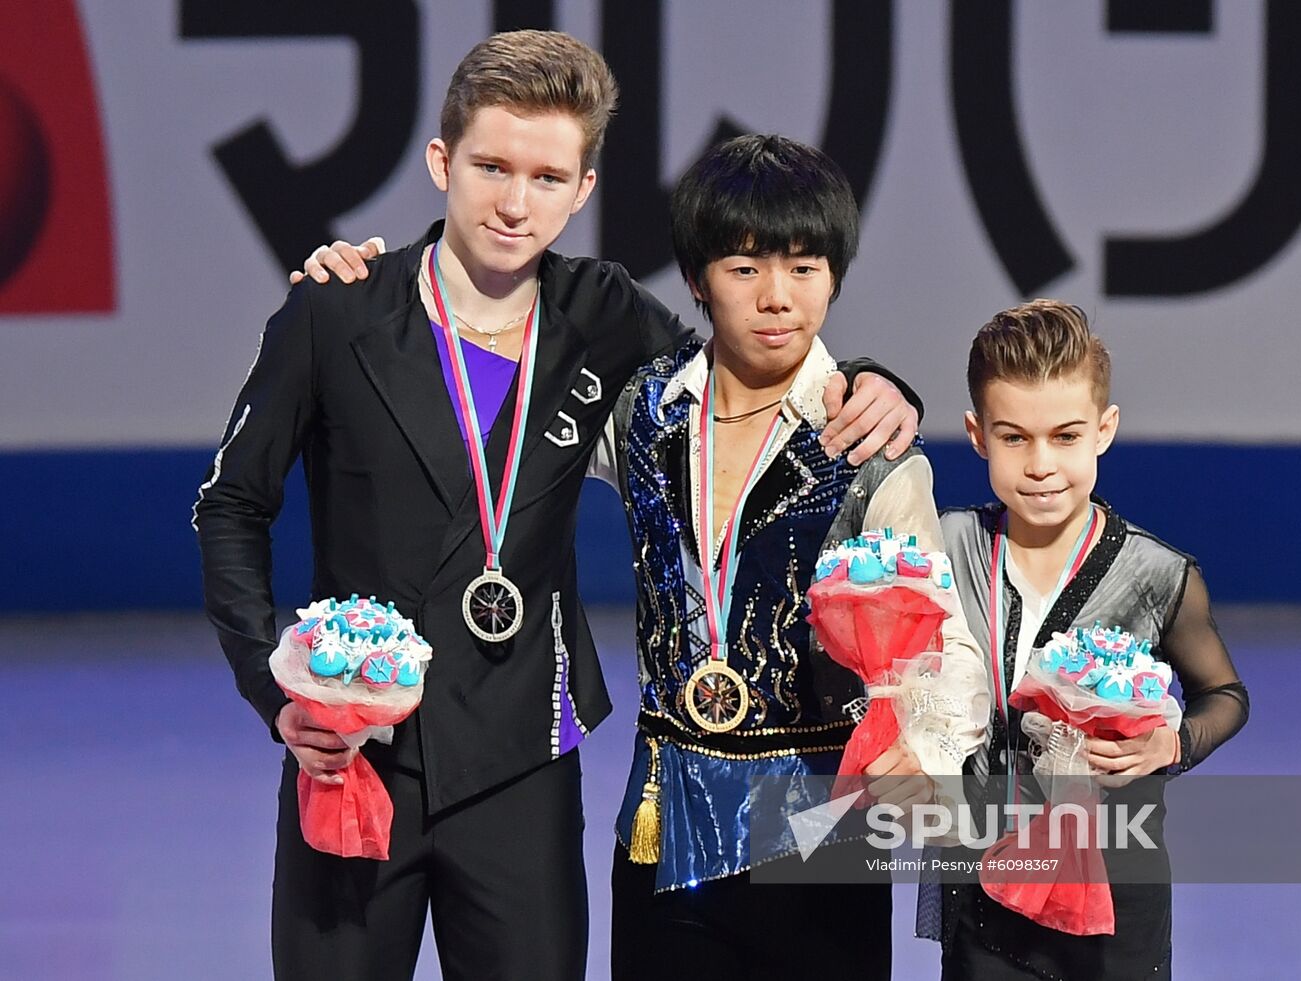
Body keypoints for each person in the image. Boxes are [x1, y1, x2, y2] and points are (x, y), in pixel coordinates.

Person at [195, 30, 919, 981]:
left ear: (582, 190)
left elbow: (747, 372)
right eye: (492, 166)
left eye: (546, 176)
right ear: (441, 162)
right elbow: (230, 504)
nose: (513, 201)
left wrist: (877, 382)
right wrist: (274, 688)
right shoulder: (338, 310)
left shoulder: (607, 316)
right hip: (357, 753)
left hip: (522, 768)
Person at [581, 133, 987, 981]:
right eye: (743, 268)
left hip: (825, 838)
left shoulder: (873, 445)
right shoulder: (639, 415)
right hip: (667, 828)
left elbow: (940, 636)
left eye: (804, 268)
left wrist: (932, 751)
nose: (777, 298)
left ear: (834, 276)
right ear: (696, 280)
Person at [921, 299, 1250, 979]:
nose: (1041, 464)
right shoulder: (945, 547)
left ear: (1105, 429)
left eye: (1065, 436)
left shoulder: (1160, 574)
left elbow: (1225, 693)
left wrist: (1172, 742)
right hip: (982, 890)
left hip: (1114, 898)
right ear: (977, 434)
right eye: (1015, 438)